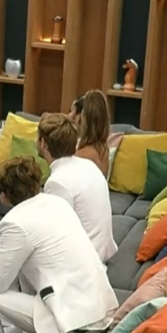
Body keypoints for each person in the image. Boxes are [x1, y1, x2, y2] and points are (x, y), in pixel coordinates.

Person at [0, 157, 117, 333]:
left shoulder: (13, 223)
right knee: (27, 272)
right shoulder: (57, 203)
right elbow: (43, 253)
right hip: (101, 312)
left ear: (4, 195)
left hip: (78, 325)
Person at [37, 113, 117, 263]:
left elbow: (56, 236)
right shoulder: (88, 165)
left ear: (43, 143)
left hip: (84, 262)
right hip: (100, 252)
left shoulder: (57, 183)